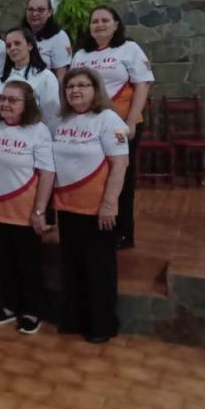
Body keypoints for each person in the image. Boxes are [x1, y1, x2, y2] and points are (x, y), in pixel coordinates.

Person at [53, 68, 128, 343]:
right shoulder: (63, 120)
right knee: (72, 267)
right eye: (70, 86)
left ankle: (101, 325)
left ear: (95, 89)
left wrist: (109, 204)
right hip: (67, 206)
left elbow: (120, 164)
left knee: (99, 269)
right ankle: (74, 319)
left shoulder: (109, 119)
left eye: (82, 85)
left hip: (97, 208)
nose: (75, 90)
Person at [71, 6, 154, 249]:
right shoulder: (81, 54)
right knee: (95, 176)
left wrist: (131, 121)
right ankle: (97, 225)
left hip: (121, 125)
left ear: (116, 24)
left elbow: (143, 85)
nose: (99, 25)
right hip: (89, 127)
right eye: (94, 21)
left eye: (105, 20)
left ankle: (124, 232)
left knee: (123, 177)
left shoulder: (129, 48)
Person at [0, 81, 55, 335]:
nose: (5, 103)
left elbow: (47, 173)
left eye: (13, 100)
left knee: (29, 265)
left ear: (28, 105)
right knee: (2, 262)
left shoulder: (38, 131)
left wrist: (39, 211)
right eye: (3, 98)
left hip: (24, 210)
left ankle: (32, 309)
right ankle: (10, 305)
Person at [0, 27, 61, 134]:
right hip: (2, 140)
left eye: (17, 43)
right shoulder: (2, 79)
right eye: (8, 46)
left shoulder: (46, 77)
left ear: (30, 45)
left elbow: (51, 116)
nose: (12, 48)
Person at [22, 0, 71, 81]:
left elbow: (61, 76)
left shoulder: (58, 37)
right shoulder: (19, 35)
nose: (34, 13)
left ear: (50, 12)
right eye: (31, 9)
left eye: (40, 10)